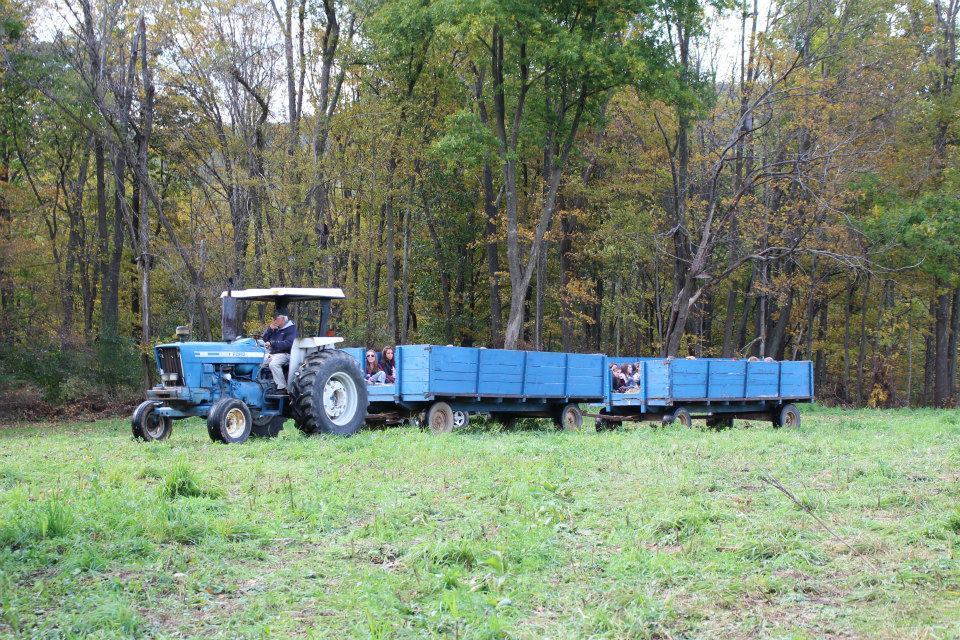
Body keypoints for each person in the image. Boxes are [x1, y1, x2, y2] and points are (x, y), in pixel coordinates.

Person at [262, 314, 298, 392]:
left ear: (283, 319)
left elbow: (289, 343)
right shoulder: (276, 329)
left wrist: (272, 344)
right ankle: (262, 385)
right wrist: (270, 329)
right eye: (275, 319)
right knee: (258, 363)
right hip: (273, 354)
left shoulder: (291, 329)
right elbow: (264, 338)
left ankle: (282, 387)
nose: (275, 321)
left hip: (286, 354)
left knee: (273, 364)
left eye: (277, 319)